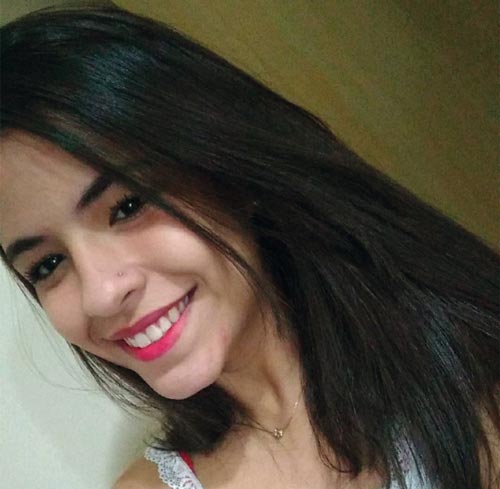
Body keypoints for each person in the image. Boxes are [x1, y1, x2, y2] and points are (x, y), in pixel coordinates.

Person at [0, 4, 498, 489]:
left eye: (128, 206)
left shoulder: (462, 360)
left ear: (226, 173)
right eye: (47, 264)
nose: (100, 295)